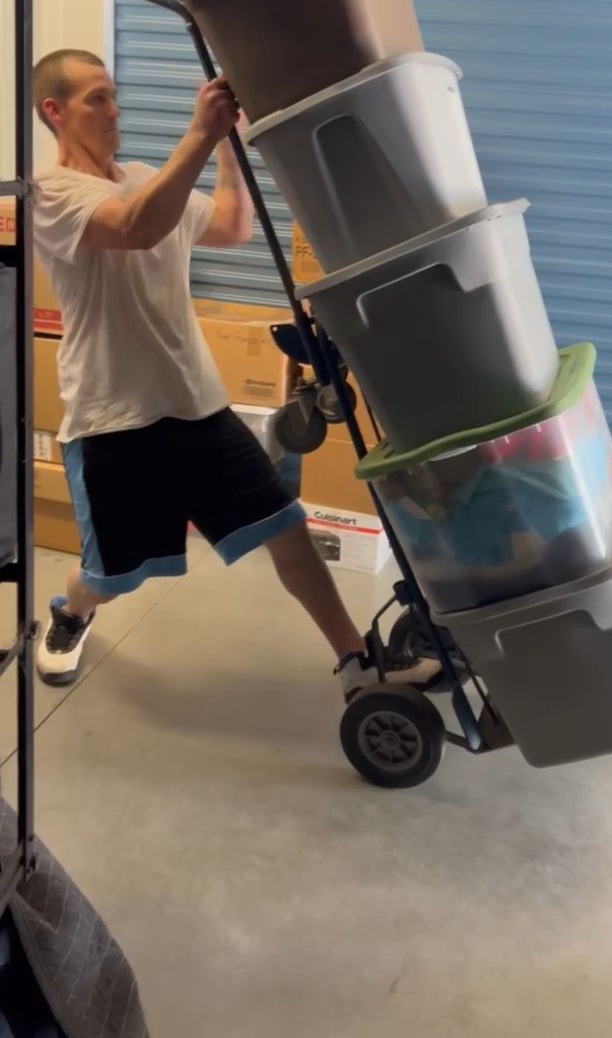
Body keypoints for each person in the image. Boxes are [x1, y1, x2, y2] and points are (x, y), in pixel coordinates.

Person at [31, 49, 440, 698]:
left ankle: (357, 660)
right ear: (54, 111)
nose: (114, 110)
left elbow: (228, 226)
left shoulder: (143, 175)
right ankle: (71, 613)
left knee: (285, 526)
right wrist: (198, 132)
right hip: (113, 417)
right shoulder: (51, 193)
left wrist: (228, 145)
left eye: (113, 95)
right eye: (95, 99)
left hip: (194, 402)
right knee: (115, 575)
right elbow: (136, 227)